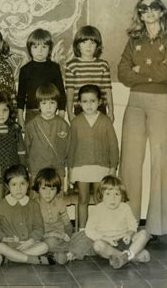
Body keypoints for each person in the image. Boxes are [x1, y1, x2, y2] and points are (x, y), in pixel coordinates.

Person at [118, 0, 167, 236]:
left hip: (162, 102)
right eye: (143, 9)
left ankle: (160, 227)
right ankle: (127, 225)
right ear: (140, 15)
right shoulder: (134, 39)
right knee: (130, 164)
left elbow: (166, 74)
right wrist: (147, 73)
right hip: (135, 102)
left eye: (154, 7)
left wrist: (139, 69)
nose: (149, 12)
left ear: (161, 11)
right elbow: (123, 73)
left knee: (161, 162)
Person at [68, 84, 119, 230]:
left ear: (99, 102)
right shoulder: (76, 122)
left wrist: (113, 167)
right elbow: (71, 147)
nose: (89, 105)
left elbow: (113, 146)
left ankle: (100, 229)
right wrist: (70, 169)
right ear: (79, 103)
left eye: (92, 101)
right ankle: (83, 231)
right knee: (83, 199)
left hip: (101, 167)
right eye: (85, 101)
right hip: (81, 166)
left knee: (99, 199)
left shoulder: (105, 121)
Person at [86, 176, 151, 269]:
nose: (112, 198)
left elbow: (133, 224)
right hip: (108, 243)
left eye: (116, 194)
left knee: (145, 233)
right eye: (108, 194)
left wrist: (129, 233)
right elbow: (89, 230)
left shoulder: (125, 208)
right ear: (101, 195)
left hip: (124, 241)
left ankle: (125, 256)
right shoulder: (97, 210)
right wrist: (105, 238)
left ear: (122, 196)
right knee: (97, 245)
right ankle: (128, 256)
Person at [32, 168, 93, 265]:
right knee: (49, 243)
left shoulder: (59, 202)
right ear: (37, 188)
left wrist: (67, 235)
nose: (48, 193)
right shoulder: (34, 205)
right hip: (46, 238)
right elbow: (35, 230)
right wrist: (52, 235)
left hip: (63, 238)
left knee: (87, 235)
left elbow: (68, 225)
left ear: (57, 190)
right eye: (44, 189)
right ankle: (70, 253)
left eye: (52, 189)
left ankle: (66, 254)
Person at [0, 164, 51, 265]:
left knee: (44, 247)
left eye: (22, 184)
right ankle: (30, 259)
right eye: (14, 185)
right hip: (9, 244)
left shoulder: (33, 205)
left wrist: (31, 240)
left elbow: (39, 227)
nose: (19, 188)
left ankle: (11, 258)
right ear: (7, 186)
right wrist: (4, 237)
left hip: (28, 244)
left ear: (28, 184)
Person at [17, 29, 66, 127]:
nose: (40, 50)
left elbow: (61, 91)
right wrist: (20, 116)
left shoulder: (54, 68)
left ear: (49, 49)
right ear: (29, 48)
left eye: (44, 47)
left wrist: (61, 111)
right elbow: (21, 96)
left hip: (50, 111)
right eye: (35, 47)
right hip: (32, 112)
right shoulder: (25, 69)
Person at [66, 25, 114, 122]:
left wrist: (111, 111)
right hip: (79, 109)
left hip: (100, 109)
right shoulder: (71, 65)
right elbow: (70, 92)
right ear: (78, 45)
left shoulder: (103, 65)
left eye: (92, 43)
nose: (88, 46)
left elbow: (108, 91)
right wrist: (70, 113)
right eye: (84, 42)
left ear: (97, 46)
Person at [25, 84, 70, 180]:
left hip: (57, 169)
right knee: (37, 194)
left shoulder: (63, 125)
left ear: (57, 104)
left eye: (52, 103)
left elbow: (69, 147)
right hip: (37, 169)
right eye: (44, 103)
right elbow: (27, 149)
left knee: (57, 194)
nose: (48, 107)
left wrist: (66, 166)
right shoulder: (31, 125)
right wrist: (29, 167)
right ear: (38, 105)